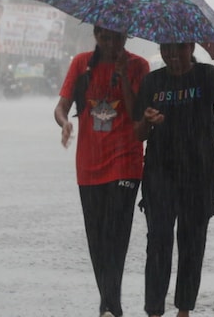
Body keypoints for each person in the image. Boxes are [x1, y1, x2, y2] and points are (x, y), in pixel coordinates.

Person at [133, 39, 214, 317]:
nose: (172, 55)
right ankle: (154, 310)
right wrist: (146, 120)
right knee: (158, 242)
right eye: (166, 49)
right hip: (159, 173)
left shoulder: (207, 75)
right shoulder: (152, 82)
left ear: (191, 47)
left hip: (199, 174)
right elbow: (138, 133)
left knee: (192, 243)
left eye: (178, 48)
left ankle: (184, 310)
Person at [54, 26, 149, 317]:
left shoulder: (138, 66)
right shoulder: (81, 64)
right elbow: (61, 106)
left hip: (126, 162)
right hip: (89, 164)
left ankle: (111, 303)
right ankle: (107, 300)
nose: (111, 44)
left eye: (117, 38)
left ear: (126, 38)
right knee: (96, 236)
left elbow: (137, 115)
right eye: (105, 38)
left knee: (116, 233)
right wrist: (65, 123)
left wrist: (121, 76)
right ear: (95, 35)